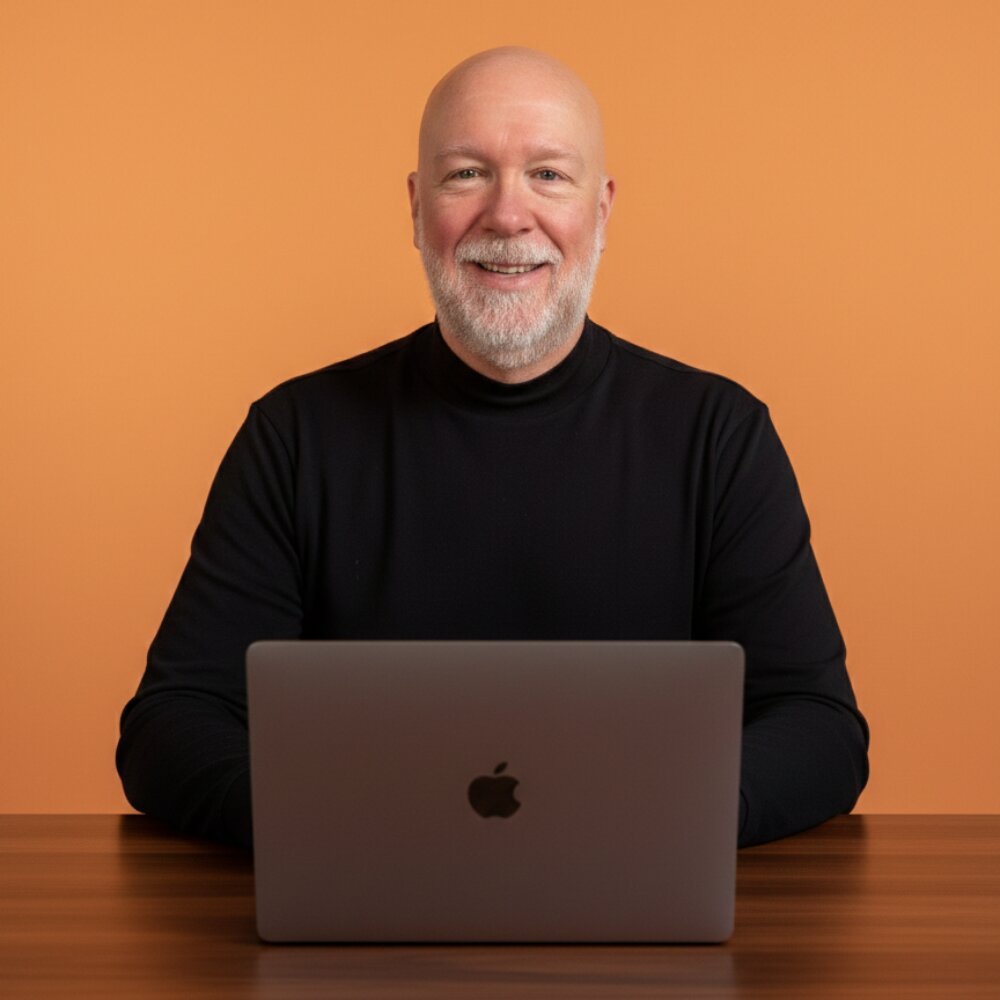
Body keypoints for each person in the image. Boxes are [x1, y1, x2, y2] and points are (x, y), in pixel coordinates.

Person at [117, 47, 868, 850]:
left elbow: (821, 728)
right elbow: (171, 723)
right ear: (415, 207)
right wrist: (344, 824)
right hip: (364, 917)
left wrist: (647, 819)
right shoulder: (294, 437)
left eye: (548, 175)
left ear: (603, 211)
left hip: (639, 916)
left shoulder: (720, 437)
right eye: (466, 174)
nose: (508, 217)